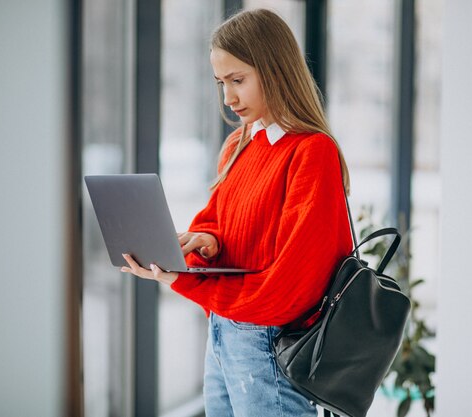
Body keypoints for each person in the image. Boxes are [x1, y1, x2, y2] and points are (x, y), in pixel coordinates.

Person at [121, 8, 353, 417]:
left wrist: (186, 281)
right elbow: (219, 221)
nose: (227, 98)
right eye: (220, 83)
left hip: (267, 342)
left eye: (237, 80)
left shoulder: (312, 152)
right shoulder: (237, 146)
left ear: (275, 70)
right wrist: (206, 242)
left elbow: (292, 286)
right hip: (224, 333)